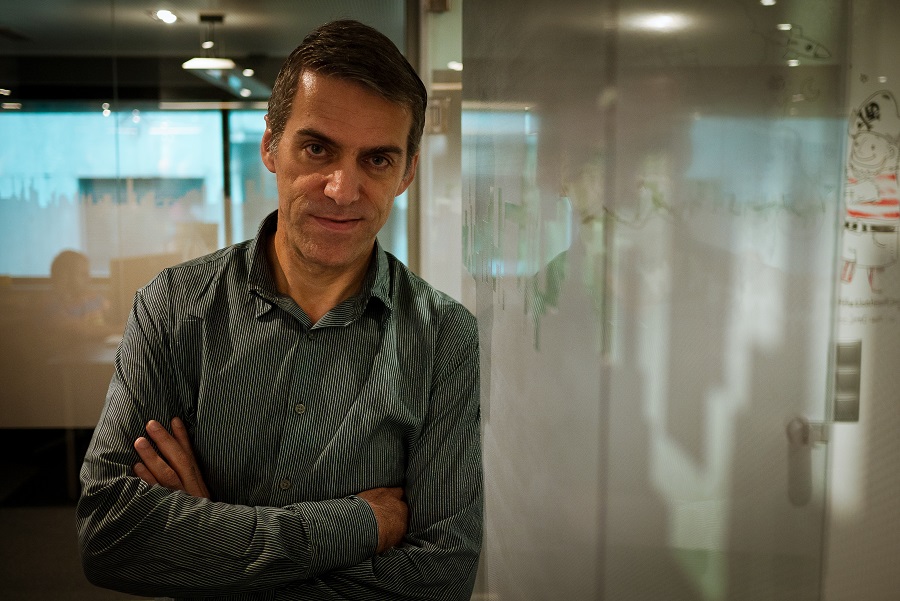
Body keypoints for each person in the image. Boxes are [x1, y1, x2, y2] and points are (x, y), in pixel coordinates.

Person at [76, 19, 483, 600]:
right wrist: (361, 522)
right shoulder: (175, 308)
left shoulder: (443, 337)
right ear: (271, 146)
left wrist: (209, 548)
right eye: (317, 149)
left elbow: (437, 582)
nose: (342, 189)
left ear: (407, 172)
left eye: (377, 160)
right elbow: (110, 537)